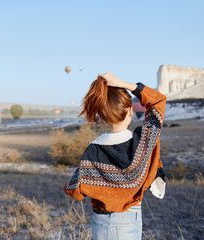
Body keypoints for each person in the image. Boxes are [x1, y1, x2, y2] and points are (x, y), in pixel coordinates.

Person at [64, 73, 167, 240]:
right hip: (126, 222)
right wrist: (123, 83)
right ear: (130, 111)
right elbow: (158, 101)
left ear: (103, 116)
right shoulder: (142, 141)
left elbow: (75, 190)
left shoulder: (93, 149)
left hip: (100, 222)